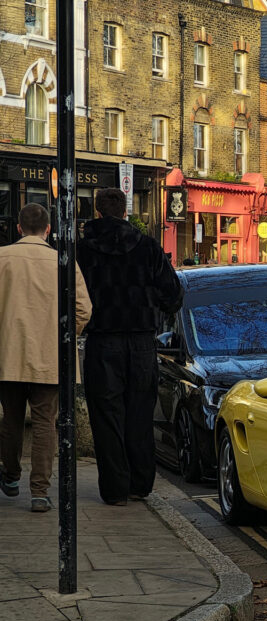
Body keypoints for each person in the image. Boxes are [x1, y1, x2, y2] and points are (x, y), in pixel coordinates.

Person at [77, 189, 183, 506]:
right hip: (141, 342)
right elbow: (173, 295)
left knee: (106, 417)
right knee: (139, 413)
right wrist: (151, 307)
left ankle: (115, 489)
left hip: (101, 341)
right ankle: (139, 483)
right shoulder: (148, 247)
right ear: (125, 212)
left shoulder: (82, 250)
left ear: (97, 212)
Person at [0, 205, 92, 512]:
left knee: (11, 419)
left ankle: (10, 476)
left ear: (19, 228)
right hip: (51, 356)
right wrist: (62, 336)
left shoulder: (2, 258)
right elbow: (84, 309)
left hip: (8, 354)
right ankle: (39, 492)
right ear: (48, 230)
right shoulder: (62, 261)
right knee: (45, 423)